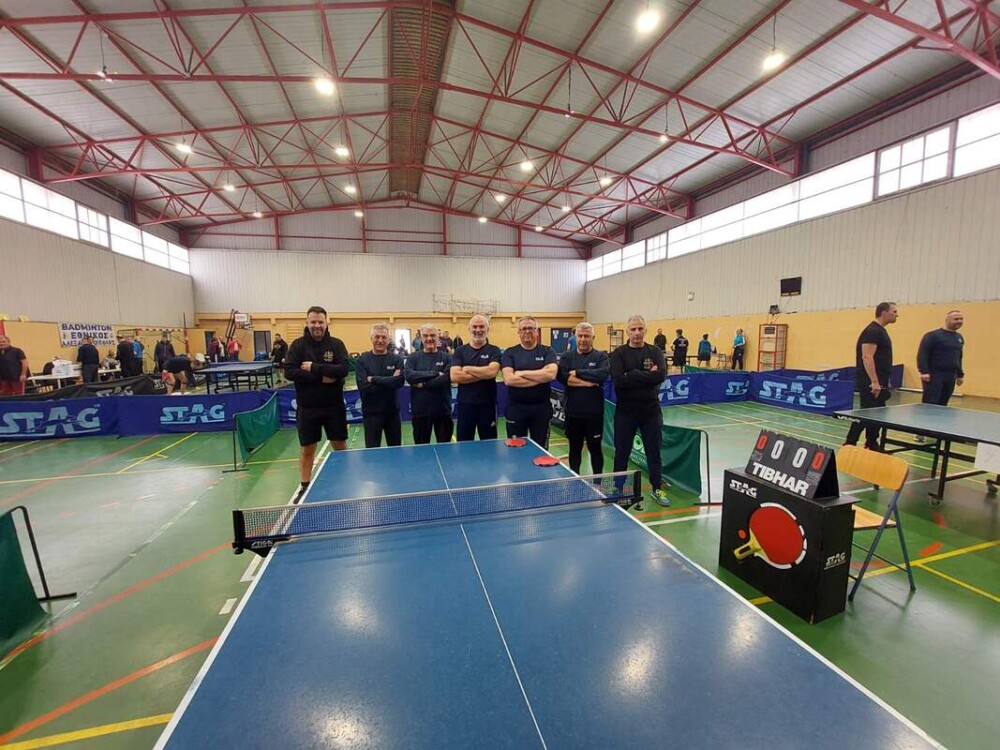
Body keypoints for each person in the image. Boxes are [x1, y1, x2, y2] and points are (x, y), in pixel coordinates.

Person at [284, 306, 351, 498]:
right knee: (307, 449)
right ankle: (304, 487)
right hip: (307, 407)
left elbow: (343, 370)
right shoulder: (297, 346)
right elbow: (289, 372)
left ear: (326, 323)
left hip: (334, 406)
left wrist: (314, 367)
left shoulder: (336, 344)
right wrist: (321, 377)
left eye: (320, 322)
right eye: (313, 322)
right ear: (307, 323)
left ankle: (346, 481)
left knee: (340, 446)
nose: (317, 325)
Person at [610, 314, 668, 509]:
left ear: (645, 330)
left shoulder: (655, 351)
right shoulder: (619, 353)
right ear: (627, 331)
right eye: (633, 329)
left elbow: (660, 375)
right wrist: (646, 376)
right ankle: (618, 488)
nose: (637, 332)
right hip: (625, 412)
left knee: (654, 453)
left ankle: (657, 488)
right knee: (622, 453)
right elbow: (618, 380)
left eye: (640, 329)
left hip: (651, 412)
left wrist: (632, 375)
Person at [844, 302, 899, 451]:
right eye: (894, 312)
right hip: (870, 382)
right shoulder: (873, 331)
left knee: (876, 413)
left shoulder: (880, 331)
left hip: (879, 381)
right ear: (884, 312)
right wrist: (874, 381)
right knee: (867, 413)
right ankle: (850, 443)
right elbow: (867, 357)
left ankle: (871, 442)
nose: (897, 315)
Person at [557, 322, 609, 475]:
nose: (583, 339)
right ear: (575, 337)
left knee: (595, 449)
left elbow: (602, 374)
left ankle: (598, 482)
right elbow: (564, 378)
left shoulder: (601, 356)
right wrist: (590, 383)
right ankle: (575, 480)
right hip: (573, 413)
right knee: (574, 449)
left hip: (594, 414)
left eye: (587, 336)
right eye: (580, 336)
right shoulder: (566, 357)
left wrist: (578, 372)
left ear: (593, 337)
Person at [501, 316, 558, 448]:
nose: (527, 331)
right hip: (516, 409)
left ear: (537, 331)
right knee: (516, 450)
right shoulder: (510, 353)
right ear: (519, 332)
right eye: (524, 329)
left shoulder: (547, 351)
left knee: (541, 448)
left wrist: (522, 373)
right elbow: (509, 379)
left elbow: (550, 374)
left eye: (531, 328)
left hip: (541, 409)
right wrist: (540, 376)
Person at [450, 314, 502, 441]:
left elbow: (491, 372)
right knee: (464, 444)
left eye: (481, 326)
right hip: (465, 405)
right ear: (469, 329)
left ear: (487, 329)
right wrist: (483, 373)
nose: (478, 330)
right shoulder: (460, 351)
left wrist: (467, 368)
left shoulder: (494, 350)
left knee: (489, 444)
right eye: (475, 327)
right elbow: (455, 376)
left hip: (487, 406)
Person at [356, 323, 405, 448]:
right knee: (372, 453)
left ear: (388, 340)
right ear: (371, 338)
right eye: (377, 337)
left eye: (384, 337)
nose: (380, 340)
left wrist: (373, 379)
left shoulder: (397, 359)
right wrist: (390, 380)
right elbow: (363, 386)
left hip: (392, 413)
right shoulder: (363, 359)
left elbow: (398, 382)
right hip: (371, 414)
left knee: (395, 451)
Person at [405, 324, 453, 444]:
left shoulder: (447, 358)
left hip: (443, 411)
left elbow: (446, 378)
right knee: (421, 450)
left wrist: (423, 384)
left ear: (438, 337)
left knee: (445, 450)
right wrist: (435, 373)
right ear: (421, 337)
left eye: (432, 335)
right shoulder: (413, 358)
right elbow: (410, 376)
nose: (429, 338)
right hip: (420, 412)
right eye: (425, 336)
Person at [917, 310, 965, 406]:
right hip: (934, 375)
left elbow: (958, 357)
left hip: (950, 376)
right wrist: (924, 371)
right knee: (931, 403)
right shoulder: (933, 336)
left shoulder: (959, 337)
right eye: (956, 319)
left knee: (943, 403)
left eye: (961, 319)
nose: (959, 321)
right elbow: (923, 354)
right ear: (947, 320)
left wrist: (960, 375)